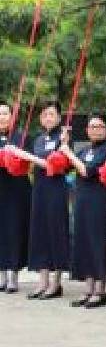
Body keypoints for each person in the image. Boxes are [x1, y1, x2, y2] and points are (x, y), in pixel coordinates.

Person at [15, 100, 71, 300]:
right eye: (45, 114)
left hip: (56, 189)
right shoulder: (38, 139)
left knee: (55, 231)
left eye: (52, 114)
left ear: (59, 117)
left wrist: (28, 157)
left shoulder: (63, 138)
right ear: (41, 118)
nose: (48, 118)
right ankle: (42, 281)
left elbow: (55, 166)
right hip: (39, 190)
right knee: (39, 233)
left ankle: (56, 284)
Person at [64, 112, 106, 308]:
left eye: (99, 126)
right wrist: (65, 145)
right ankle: (88, 288)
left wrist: (67, 152)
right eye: (92, 126)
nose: (95, 130)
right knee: (83, 241)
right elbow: (68, 166)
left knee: (97, 242)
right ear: (86, 130)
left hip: (98, 201)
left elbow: (86, 170)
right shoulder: (84, 151)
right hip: (81, 200)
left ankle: (100, 291)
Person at [0, 100, 30, 293]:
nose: (1, 117)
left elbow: (29, 160)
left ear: (12, 117)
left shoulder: (21, 137)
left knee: (14, 229)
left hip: (17, 189)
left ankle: (13, 275)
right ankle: (1, 275)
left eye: (5, 113)